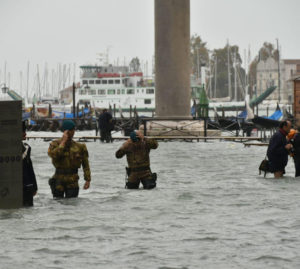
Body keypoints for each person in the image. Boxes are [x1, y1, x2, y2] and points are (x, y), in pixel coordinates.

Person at [48, 120, 91, 198]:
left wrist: (87, 179)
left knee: (72, 205)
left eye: (73, 130)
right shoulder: (54, 144)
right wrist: (63, 142)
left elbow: (86, 164)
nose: (73, 132)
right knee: (57, 204)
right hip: (58, 179)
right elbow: (53, 155)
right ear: (65, 131)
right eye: (70, 130)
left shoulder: (80, 147)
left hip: (73, 180)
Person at [22, 121, 38, 206]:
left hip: (27, 186)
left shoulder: (27, 148)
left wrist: (34, 186)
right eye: (23, 131)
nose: (25, 133)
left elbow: (30, 168)